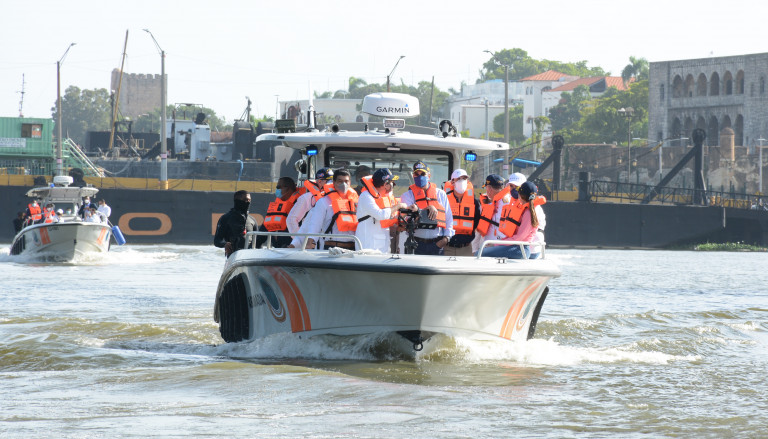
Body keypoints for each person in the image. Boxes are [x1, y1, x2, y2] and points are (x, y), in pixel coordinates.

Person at [399, 161, 454, 255]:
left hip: (437, 244)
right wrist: (425, 210)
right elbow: (407, 219)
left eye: (423, 174)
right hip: (416, 243)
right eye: (416, 174)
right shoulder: (407, 196)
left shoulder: (441, 194)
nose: (419, 177)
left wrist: (445, 239)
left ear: (429, 175)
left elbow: (449, 219)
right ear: (413, 176)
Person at [481, 181, 544, 259]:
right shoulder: (527, 210)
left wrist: (496, 244)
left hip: (520, 249)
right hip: (518, 248)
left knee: (481, 252)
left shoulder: (528, 213)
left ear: (520, 195)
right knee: (484, 251)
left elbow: (520, 237)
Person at [300, 169, 359, 250]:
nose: (344, 184)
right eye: (340, 181)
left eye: (346, 181)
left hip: (352, 247)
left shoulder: (356, 202)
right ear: (334, 182)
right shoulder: (323, 202)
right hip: (331, 247)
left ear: (350, 183)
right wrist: (310, 243)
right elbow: (315, 225)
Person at [356, 168, 406, 253]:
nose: (393, 184)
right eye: (391, 182)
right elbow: (380, 215)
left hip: (382, 243)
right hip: (368, 245)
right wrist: (398, 206)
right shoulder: (366, 196)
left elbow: (390, 216)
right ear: (385, 184)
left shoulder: (381, 197)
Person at [443, 169, 481, 256]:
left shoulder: (474, 202)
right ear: (452, 182)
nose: (462, 181)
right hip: (447, 247)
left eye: (464, 179)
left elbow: (476, 222)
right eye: (459, 179)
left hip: (466, 247)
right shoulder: (444, 200)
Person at [287, 168, 334, 236]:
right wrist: (299, 239)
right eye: (329, 181)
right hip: (310, 239)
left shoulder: (336, 198)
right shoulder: (307, 198)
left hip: (328, 238)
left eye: (333, 180)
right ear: (319, 181)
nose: (332, 184)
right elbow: (291, 220)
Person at [472, 174, 510, 254]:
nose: (486, 191)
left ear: (489, 188)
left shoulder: (507, 203)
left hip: (499, 247)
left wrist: (474, 250)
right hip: (489, 246)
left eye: (486, 187)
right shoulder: (487, 203)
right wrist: (474, 249)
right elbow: (480, 228)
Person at [256, 177, 298, 248]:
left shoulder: (298, 205)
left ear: (288, 188)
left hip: (291, 249)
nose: (277, 190)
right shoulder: (277, 206)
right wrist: (252, 247)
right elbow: (264, 229)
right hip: (277, 248)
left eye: (278, 187)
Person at [214, 190, 257, 257]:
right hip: (233, 257)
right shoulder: (225, 218)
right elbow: (217, 241)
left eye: (249, 200)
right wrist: (225, 244)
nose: (248, 202)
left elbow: (258, 242)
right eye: (245, 200)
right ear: (237, 201)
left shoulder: (252, 220)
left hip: (250, 257)